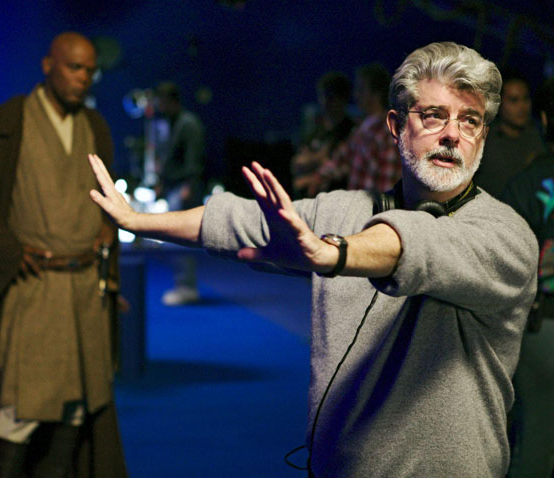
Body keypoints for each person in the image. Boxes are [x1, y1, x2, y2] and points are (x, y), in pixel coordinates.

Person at [88, 42, 538, 477]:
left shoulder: (506, 235)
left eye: (470, 120)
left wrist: (334, 252)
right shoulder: (343, 210)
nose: (452, 134)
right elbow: (236, 220)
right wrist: (138, 221)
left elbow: (423, 244)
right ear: (397, 125)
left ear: (482, 136)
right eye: (434, 115)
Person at [0, 32, 127, 477]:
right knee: (20, 410)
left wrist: (105, 233)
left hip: (83, 293)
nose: (83, 78)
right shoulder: (8, 122)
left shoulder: (94, 126)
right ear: (48, 65)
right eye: (74, 67)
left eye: (90, 70)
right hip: (35, 290)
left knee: (76, 410)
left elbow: (103, 195)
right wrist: (5, 247)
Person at [501, 76, 554, 478]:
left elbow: (508, 264)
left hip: (541, 326)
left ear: (544, 119)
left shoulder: (526, 182)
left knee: (535, 432)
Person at [295, 63, 400, 196]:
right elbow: (340, 159)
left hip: (372, 206)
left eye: (361, 89)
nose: (356, 95)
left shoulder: (387, 132)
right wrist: (317, 178)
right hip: (356, 204)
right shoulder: (362, 128)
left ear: (376, 94)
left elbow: (387, 184)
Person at [154, 81, 206, 305]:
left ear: (172, 100)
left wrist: (189, 187)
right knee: (176, 240)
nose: (160, 106)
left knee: (182, 240)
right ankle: (183, 284)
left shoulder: (188, 124)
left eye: (163, 101)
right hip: (174, 188)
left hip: (184, 189)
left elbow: (195, 159)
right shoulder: (172, 123)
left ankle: (187, 287)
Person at [474, 71, 547, 196]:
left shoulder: (538, 135)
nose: (522, 106)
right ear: (499, 104)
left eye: (526, 98)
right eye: (514, 100)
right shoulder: (484, 140)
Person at [291, 71, 355, 198]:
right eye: (323, 96)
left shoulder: (351, 131)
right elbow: (296, 164)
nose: (326, 102)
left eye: (331, 97)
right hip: (307, 198)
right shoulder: (315, 129)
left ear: (342, 99)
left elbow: (342, 169)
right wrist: (320, 158)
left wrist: (311, 162)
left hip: (335, 198)